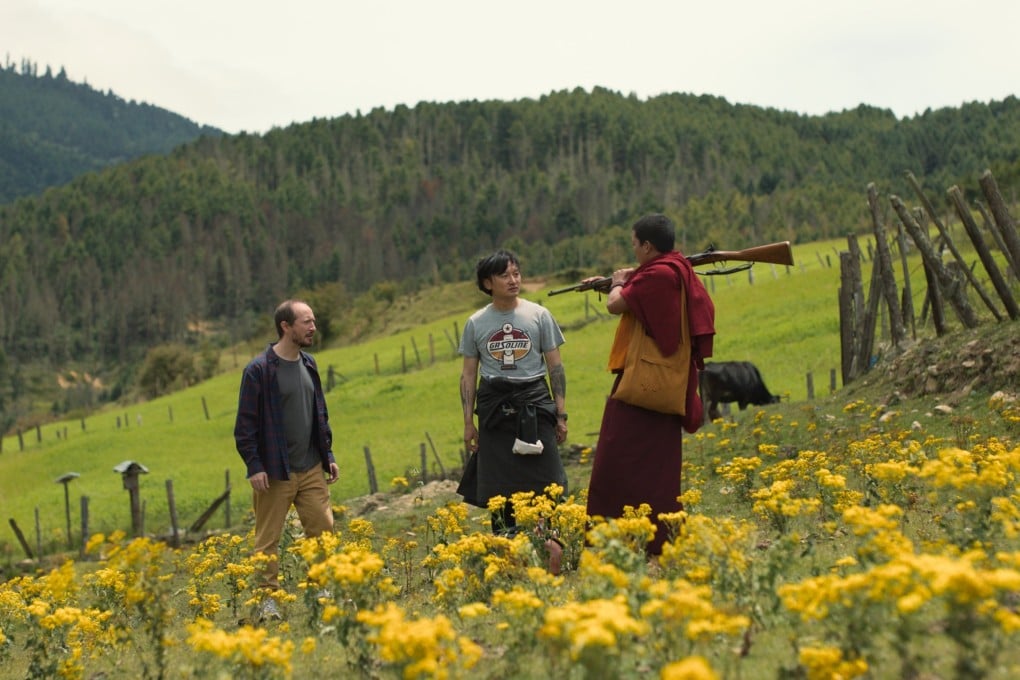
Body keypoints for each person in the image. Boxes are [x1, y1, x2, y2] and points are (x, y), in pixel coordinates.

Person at [585, 214, 715, 556]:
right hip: (663, 382)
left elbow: (616, 305)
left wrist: (617, 282)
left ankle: (619, 538)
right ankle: (654, 537)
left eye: (634, 244)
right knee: (657, 467)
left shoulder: (658, 274)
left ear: (646, 246)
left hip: (646, 382)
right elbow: (641, 298)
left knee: (613, 460)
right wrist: (618, 281)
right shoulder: (672, 268)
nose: (633, 250)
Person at [457, 250, 568, 573]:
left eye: (516, 273)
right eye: (504, 275)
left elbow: (555, 367)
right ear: (487, 283)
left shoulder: (539, 315)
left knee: (547, 481)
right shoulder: (476, 323)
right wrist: (468, 423)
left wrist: (560, 414)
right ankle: (508, 559)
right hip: (494, 410)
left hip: (535, 403)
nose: (513, 280)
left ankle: (551, 552)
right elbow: (468, 375)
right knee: (499, 488)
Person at [234, 299, 340, 619]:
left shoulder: (309, 364)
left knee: (324, 528)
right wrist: (255, 466)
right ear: (286, 326)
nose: (313, 328)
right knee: (267, 540)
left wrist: (327, 454)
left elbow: (319, 413)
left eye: (313, 321)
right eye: (306, 322)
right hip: (275, 472)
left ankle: (321, 590)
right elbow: (245, 426)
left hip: (311, 467)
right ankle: (268, 602)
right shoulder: (259, 371)